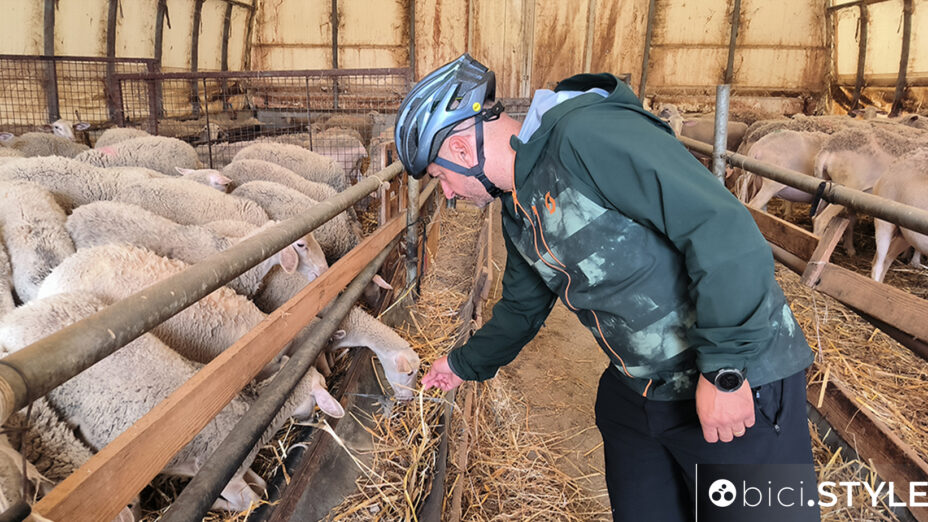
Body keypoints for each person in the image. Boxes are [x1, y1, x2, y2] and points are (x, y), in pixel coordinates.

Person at [395, 54, 815, 520]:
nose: (447, 193)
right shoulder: (519, 207)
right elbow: (521, 309)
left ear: (460, 149)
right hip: (642, 393)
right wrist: (461, 365)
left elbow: (723, 230)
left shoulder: (587, 136)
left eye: (440, 177)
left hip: (739, 383)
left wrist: (725, 373)